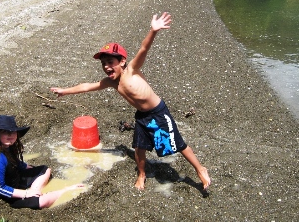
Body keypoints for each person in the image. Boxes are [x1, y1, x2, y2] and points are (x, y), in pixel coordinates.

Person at [50, 12, 211, 190]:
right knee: (139, 147)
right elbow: (87, 86)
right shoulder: (111, 82)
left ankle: (200, 169)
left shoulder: (132, 70)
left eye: (110, 62)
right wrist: (65, 91)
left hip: (158, 112)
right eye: (103, 63)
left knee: (177, 144)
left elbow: (143, 49)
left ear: (122, 61)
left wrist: (154, 31)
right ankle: (142, 174)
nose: (106, 67)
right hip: (142, 116)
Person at [0, 114, 84, 209]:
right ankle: (65, 191)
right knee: (43, 202)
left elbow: (15, 162)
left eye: (13, 132)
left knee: (45, 170)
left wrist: (26, 167)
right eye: (5, 132)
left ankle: (35, 191)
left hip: (15, 179)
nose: (10, 135)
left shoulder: (8, 147)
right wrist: (25, 194)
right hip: (6, 195)